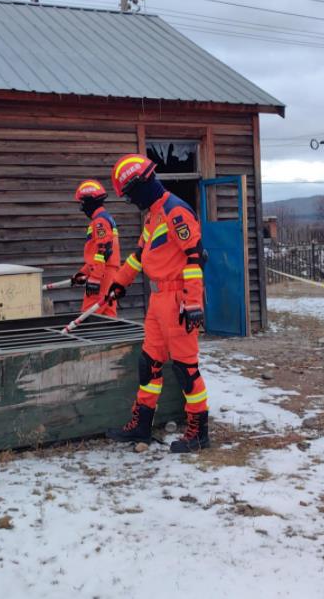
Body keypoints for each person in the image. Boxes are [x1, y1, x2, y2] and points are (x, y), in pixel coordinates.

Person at [103, 154, 209, 453]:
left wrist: (192, 303)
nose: (131, 202)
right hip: (158, 300)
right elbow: (139, 256)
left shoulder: (177, 212)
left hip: (177, 301)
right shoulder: (153, 215)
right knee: (148, 364)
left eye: (131, 195)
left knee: (186, 369)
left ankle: (198, 431)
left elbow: (195, 258)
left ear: (144, 184)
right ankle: (141, 425)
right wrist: (118, 284)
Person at [71, 180, 120, 318]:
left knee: (88, 314)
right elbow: (97, 255)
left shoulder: (99, 221)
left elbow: (103, 250)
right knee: (107, 314)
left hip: (102, 273)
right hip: (108, 272)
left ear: (89, 202)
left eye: (83, 203)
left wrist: (95, 278)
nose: (82, 208)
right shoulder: (105, 218)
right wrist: (83, 273)